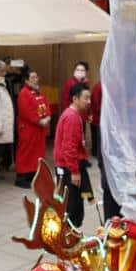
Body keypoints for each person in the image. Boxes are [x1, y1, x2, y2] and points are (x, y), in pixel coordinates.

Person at [53, 85, 93, 228]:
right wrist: (75, 172)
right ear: (75, 99)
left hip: (68, 166)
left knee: (72, 206)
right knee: (72, 208)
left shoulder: (75, 115)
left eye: (89, 98)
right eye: (85, 98)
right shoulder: (71, 117)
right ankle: (67, 241)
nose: (88, 101)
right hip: (68, 168)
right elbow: (68, 148)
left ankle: (69, 237)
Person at [13, 69, 52, 188]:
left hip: (39, 129)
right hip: (28, 129)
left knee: (37, 153)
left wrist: (48, 117)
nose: (36, 79)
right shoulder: (24, 93)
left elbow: (46, 104)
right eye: (33, 77)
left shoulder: (38, 92)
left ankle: (32, 175)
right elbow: (26, 111)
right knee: (26, 152)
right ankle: (21, 177)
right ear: (26, 81)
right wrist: (39, 120)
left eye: (36, 77)